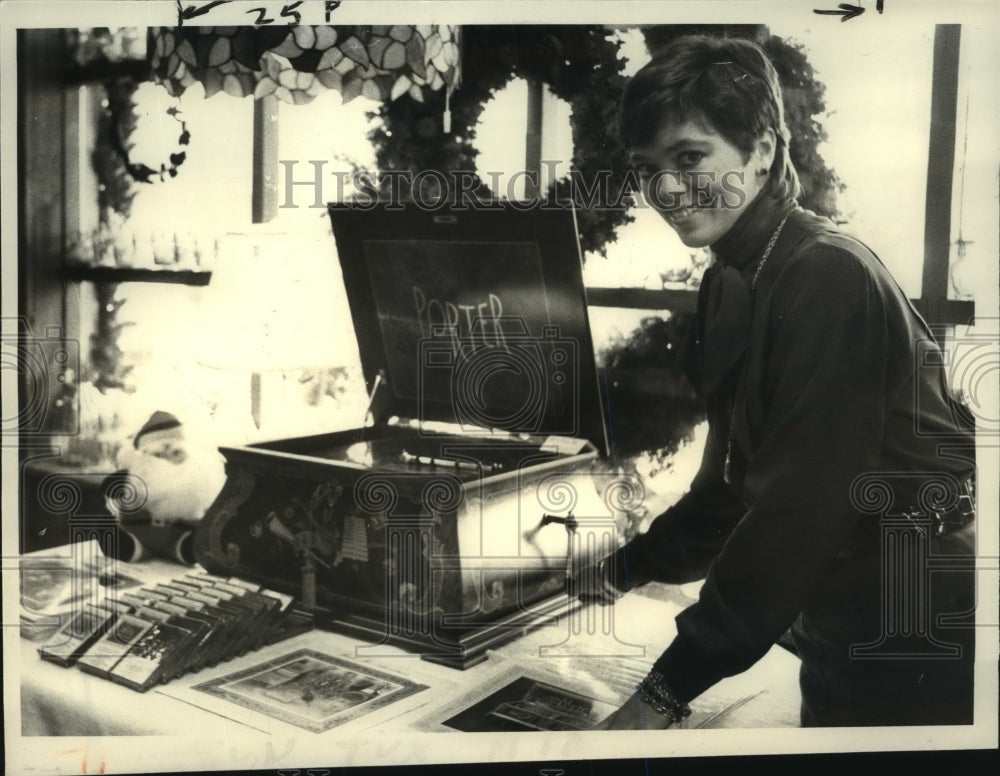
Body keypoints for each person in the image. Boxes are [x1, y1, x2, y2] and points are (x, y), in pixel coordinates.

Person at [579, 34, 977, 729]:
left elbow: (794, 517)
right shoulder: (729, 281)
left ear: (762, 148)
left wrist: (662, 696)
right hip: (838, 610)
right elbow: (727, 493)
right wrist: (614, 571)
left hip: (919, 617)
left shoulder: (827, 273)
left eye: (690, 157)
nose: (665, 189)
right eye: (647, 168)